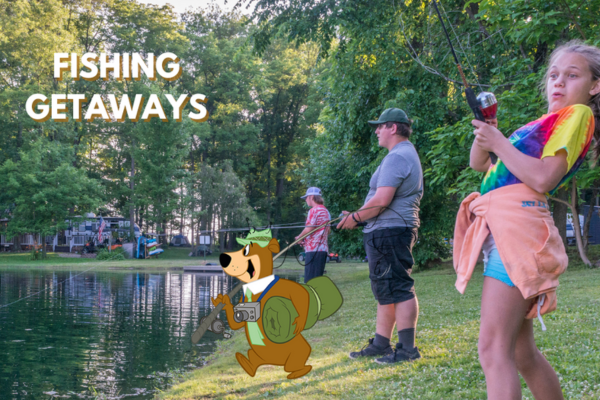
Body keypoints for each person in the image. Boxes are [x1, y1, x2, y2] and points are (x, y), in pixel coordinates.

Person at [454, 40, 600, 400]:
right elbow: (481, 165)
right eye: (553, 75)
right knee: (520, 352)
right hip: (505, 228)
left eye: (571, 75)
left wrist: (500, 141)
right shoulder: (543, 124)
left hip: (517, 231)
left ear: (594, 86)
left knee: (492, 349)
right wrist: (488, 129)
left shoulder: (578, 115)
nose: (559, 82)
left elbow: (543, 178)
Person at [337, 108, 423, 364]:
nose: (376, 130)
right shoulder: (399, 155)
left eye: (380, 126)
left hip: (391, 232)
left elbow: (382, 200)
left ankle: (407, 350)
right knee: (385, 289)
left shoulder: (399, 156)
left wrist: (354, 218)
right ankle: (381, 344)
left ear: (393, 127)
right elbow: (378, 200)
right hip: (384, 231)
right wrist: (355, 214)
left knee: (399, 287)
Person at [295, 187, 331, 283]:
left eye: (306, 197)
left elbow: (309, 228)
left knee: (309, 280)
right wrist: (305, 240)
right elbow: (327, 230)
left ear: (311, 197)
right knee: (317, 280)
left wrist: (299, 237)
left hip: (313, 250)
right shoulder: (326, 211)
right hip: (323, 250)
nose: (306, 200)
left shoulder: (313, 210)